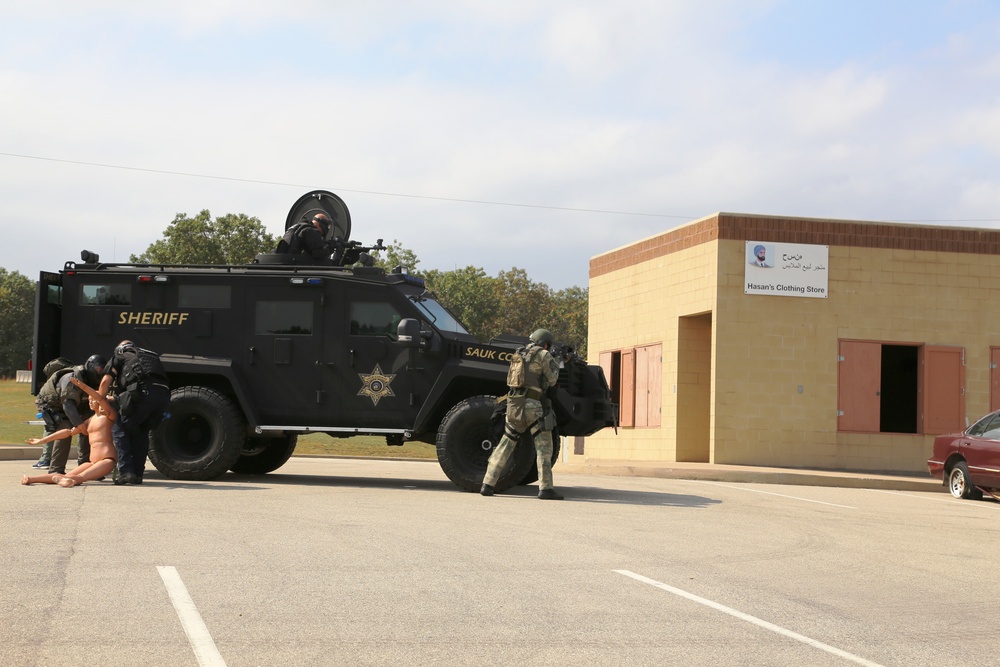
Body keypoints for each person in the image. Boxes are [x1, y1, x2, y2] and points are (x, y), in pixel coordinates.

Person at [481, 328, 564, 500]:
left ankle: (487, 484)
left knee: (506, 444)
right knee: (543, 447)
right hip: (533, 405)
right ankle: (546, 488)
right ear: (545, 343)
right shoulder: (543, 355)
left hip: (514, 405)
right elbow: (552, 379)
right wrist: (557, 363)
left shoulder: (518, 354)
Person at [98, 340, 170, 485]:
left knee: (121, 428)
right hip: (163, 397)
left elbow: (105, 383)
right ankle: (137, 474)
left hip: (143, 394)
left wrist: (101, 401)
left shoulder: (119, 356)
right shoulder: (147, 356)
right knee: (141, 431)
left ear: (120, 348)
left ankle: (126, 472)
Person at [22, 378, 117, 487]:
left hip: (107, 460)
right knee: (64, 475)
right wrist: (43, 440)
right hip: (92, 462)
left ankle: (69, 481)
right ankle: (31, 479)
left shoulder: (109, 416)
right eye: (89, 399)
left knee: (80, 478)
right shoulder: (90, 421)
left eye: (93, 400)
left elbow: (100, 398)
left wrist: (83, 386)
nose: (90, 402)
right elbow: (68, 432)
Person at [33, 354, 106, 476]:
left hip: (75, 403)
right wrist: (79, 425)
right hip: (54, 404)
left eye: (102, 370)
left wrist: (86, 425)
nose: (100, 373)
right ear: (90, 367)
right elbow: (68, 405)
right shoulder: (73, 378)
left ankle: (86, 466)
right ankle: (56, 469)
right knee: (66, 428)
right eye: (98, 369)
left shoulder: (95, 380)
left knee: (89, 426)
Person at [275, 212, 341, 262]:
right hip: (294, 264)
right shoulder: (312, 231)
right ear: (322, 224)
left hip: (283, 261)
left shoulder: (296, 227)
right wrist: (330, 248)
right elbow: (317, 253)